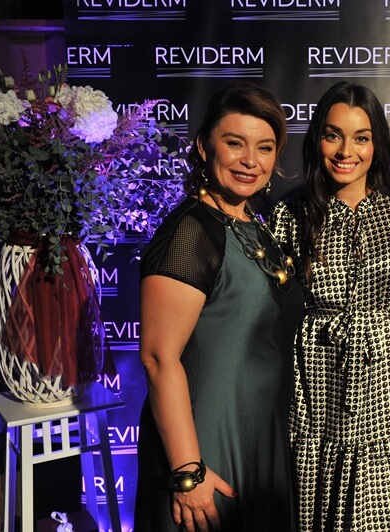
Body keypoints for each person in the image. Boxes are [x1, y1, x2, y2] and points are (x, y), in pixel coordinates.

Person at [134, 82, 304, 532]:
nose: (250, 160)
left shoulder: (253, 224)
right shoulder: (191, 231)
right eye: (234, 143)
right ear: (203, 146)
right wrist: (188, 472)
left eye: (264, 148)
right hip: (205, 454)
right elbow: (157, 357)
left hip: (258, 444)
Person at [270, 81, 390, 531]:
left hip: (385, 376)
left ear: (377, 143)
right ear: (317, 141)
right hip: (316, 379)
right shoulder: (290, 214)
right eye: (333, 135)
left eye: (361, 137)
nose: (346, 151)